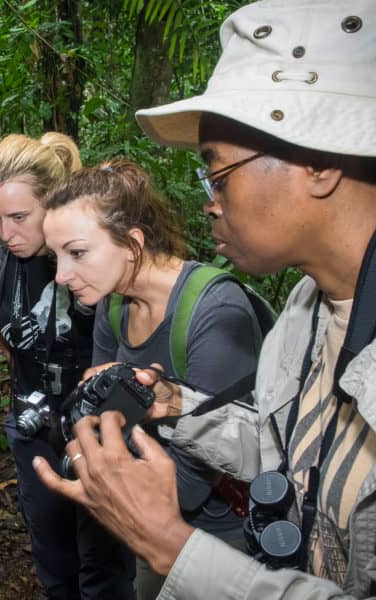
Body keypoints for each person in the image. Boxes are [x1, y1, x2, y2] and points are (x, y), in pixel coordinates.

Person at [34, 0, 376, 597]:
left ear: (318, 162)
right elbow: (287, 454)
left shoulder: (222, 307)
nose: (210, 203)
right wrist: (179, 406)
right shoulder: (305, 313)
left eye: (217, 175)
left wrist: (172, 546)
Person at [42, 160, 263, 599]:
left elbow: (188, 484)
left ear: (132, 244)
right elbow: (98, 410)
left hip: (222, 541)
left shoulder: (215, 313)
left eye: (78, 252)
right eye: (56, 256)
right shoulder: (115, 302)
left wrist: (96, 476)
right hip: (150, 528)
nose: (61, 275)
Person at [0, 132, 135, 599]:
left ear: (51, 203)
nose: (7, 234)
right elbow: (4, 331)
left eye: (19, 217)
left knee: (103, 564)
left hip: (99, 431)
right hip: (32, 429)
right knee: (54, 558)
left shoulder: (95, 259)